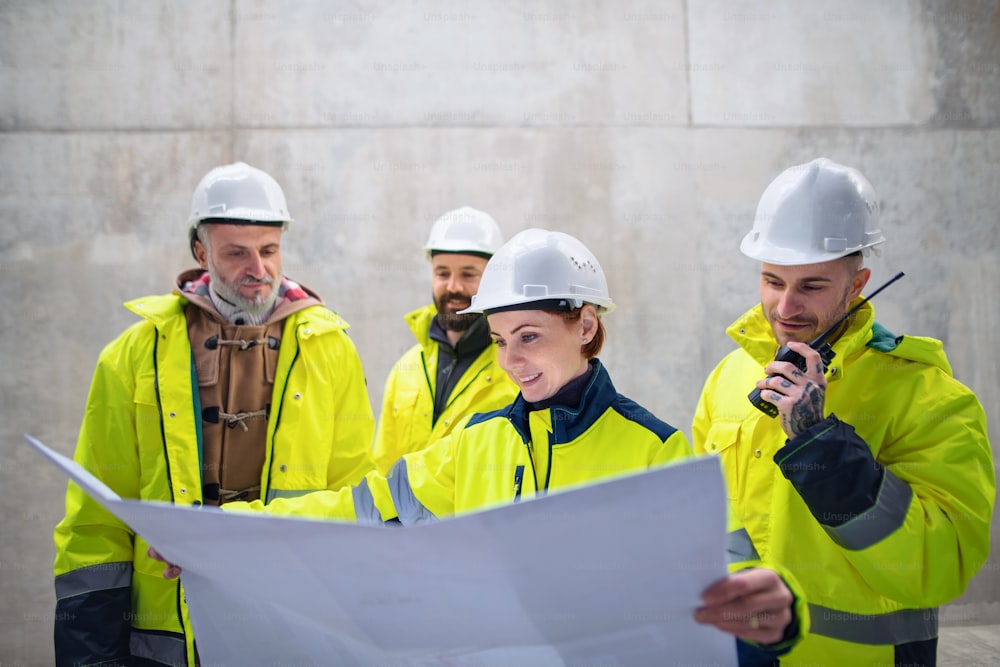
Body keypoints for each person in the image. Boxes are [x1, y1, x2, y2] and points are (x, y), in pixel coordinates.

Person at [154, 228, 808, 663]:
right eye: (498, 340)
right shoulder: (475, 445)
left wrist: (776, 619)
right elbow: (355, 510)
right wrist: (219, 530)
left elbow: (737, 594)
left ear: (585, 325)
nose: (511, 361)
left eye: (528, 335)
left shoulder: (657, 450)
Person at [53, 161, 377, 666]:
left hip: (290, 620)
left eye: (269, 250)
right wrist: (90, 653)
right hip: (166, 630)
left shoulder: (330, 351)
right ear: (201, 252)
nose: (259, 269)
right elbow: (96, 517)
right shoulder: (133, 354)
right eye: (236, 253)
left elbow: (355, 495)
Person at [692, 158, 995, 666]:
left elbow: (944, 565)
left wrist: (822, 447)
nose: (785, 307)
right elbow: (704, 523)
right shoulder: (730, 378)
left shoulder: (928, 396)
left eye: (811, 285)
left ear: (858, 285)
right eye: (772, 280)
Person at [372, 206, 517, 474]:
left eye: (468, 274)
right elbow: (384, 470)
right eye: (442, 273)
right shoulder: (406, 371)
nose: (453, 287)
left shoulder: (517, 372)